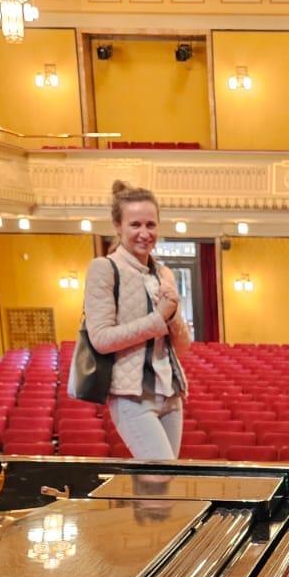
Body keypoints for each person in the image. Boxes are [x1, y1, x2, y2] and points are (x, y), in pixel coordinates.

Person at [84, 180, 190, 460]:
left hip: (170, 392)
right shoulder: (104, 269)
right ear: (118, 226)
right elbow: (101, 339)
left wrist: (173, 315)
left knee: (166, 479)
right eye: (135, 225)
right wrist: (158, 317)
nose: (144, 233)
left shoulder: (163, 273)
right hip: (131, 396)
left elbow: (182, 347)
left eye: (151, 225)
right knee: (162, 478)